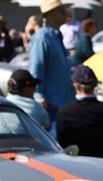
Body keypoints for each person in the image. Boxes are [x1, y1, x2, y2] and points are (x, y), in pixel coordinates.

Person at [30, 0, 74, 132]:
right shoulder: (42, 37)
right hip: (51, 102)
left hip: (63, 100)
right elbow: (36, 68)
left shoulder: (56, 36)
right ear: (50, 15)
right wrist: (38, 95)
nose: (65, 15)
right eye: (62, 12)